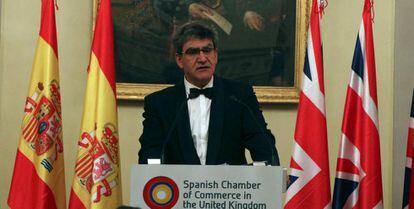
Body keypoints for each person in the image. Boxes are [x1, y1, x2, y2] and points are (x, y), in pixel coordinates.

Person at [138, 22, 279, 165]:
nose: (202, 58)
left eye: (207, 50)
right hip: (178, 186)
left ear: (215, 55)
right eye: (193, 52)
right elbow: (150, 155)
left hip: (230, 185)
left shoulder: (239, 95)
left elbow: (264, 147)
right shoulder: (160, 103)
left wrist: (268, 176)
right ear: (179, 60)